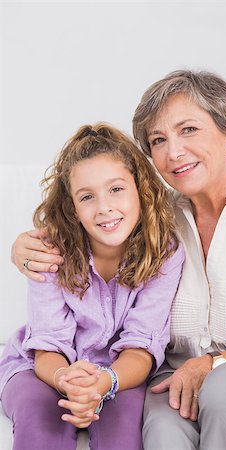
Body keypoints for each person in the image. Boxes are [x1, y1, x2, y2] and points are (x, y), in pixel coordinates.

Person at [11, 70, 226, 450]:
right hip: (175, 377)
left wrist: (215, 364)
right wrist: (22, 247)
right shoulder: (153, 218)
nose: (173, 151)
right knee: (162, 432)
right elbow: (86, 222)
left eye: (189, 130)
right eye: (158, 140)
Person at [0, 122, 185, 450]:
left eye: (116, 189)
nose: (104, 207)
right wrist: (67, 382)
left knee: (123, 434)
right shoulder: (49, 251)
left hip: (120, 373)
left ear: (139, 188)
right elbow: (48, 346)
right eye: (87, 197)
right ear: (73, 207)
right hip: (43, 369)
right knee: (40, 421)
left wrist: (103, 382)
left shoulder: (163, 251)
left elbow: (141, 345)